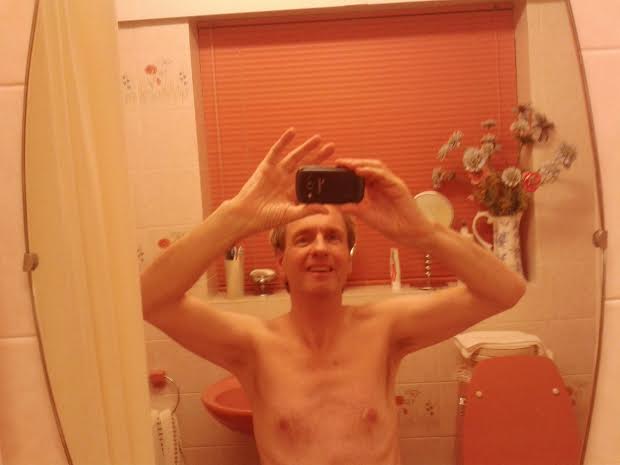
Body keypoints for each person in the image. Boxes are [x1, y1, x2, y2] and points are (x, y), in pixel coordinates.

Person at [140, 128, 526, 465]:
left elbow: (504, 291)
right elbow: (150, 299)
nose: (320, 248)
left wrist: (424, 233)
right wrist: (236, 216)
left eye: (334, 237)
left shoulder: (386, 329)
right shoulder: (253, 346)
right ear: (280, 260)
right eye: (303, 238)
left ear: (348, 258)